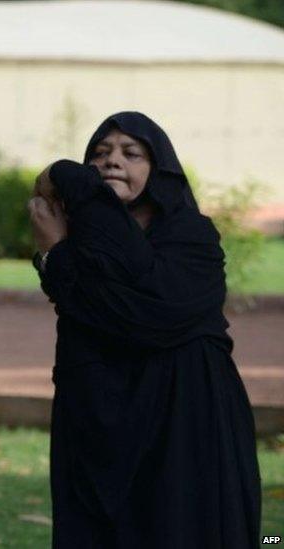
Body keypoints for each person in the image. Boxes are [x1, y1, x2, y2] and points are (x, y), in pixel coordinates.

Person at [29, 111, 261, 548]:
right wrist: (60, 254)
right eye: (98, 154)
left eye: (131, 153)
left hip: (187, 418)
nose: (110, 161)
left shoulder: (192, 236)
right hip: (96, 422)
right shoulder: (78, 245)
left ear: (159, 171)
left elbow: (144, 316)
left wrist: (61, 176)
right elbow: (91, 315)